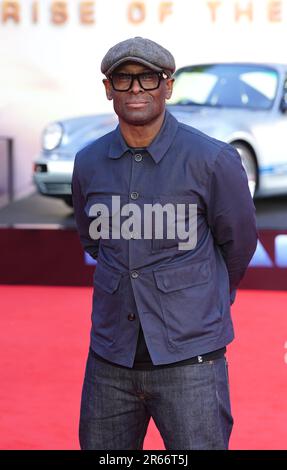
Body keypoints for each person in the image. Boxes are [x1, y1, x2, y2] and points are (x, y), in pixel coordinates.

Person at [71, 36, 258, 450]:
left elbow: (239, 243)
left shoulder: (213, 160)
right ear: (108, 88)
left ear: (167, 86)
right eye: (124, 79)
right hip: (109, 361)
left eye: (148, 79)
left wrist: (202, 300)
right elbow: (95, 242)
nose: (136, 89)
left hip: (191, 362)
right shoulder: (87, 162)